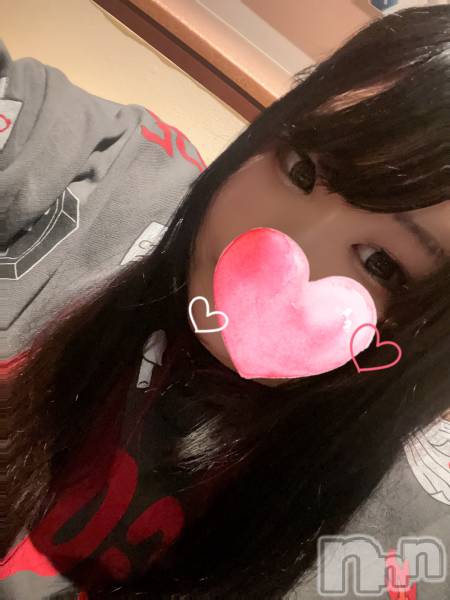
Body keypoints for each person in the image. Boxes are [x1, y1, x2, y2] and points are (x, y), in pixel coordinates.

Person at [1, 4, 449, 599]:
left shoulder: (409, 535)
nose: (286, 252)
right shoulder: (102, 168)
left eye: (382, 263)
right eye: (301, 170)